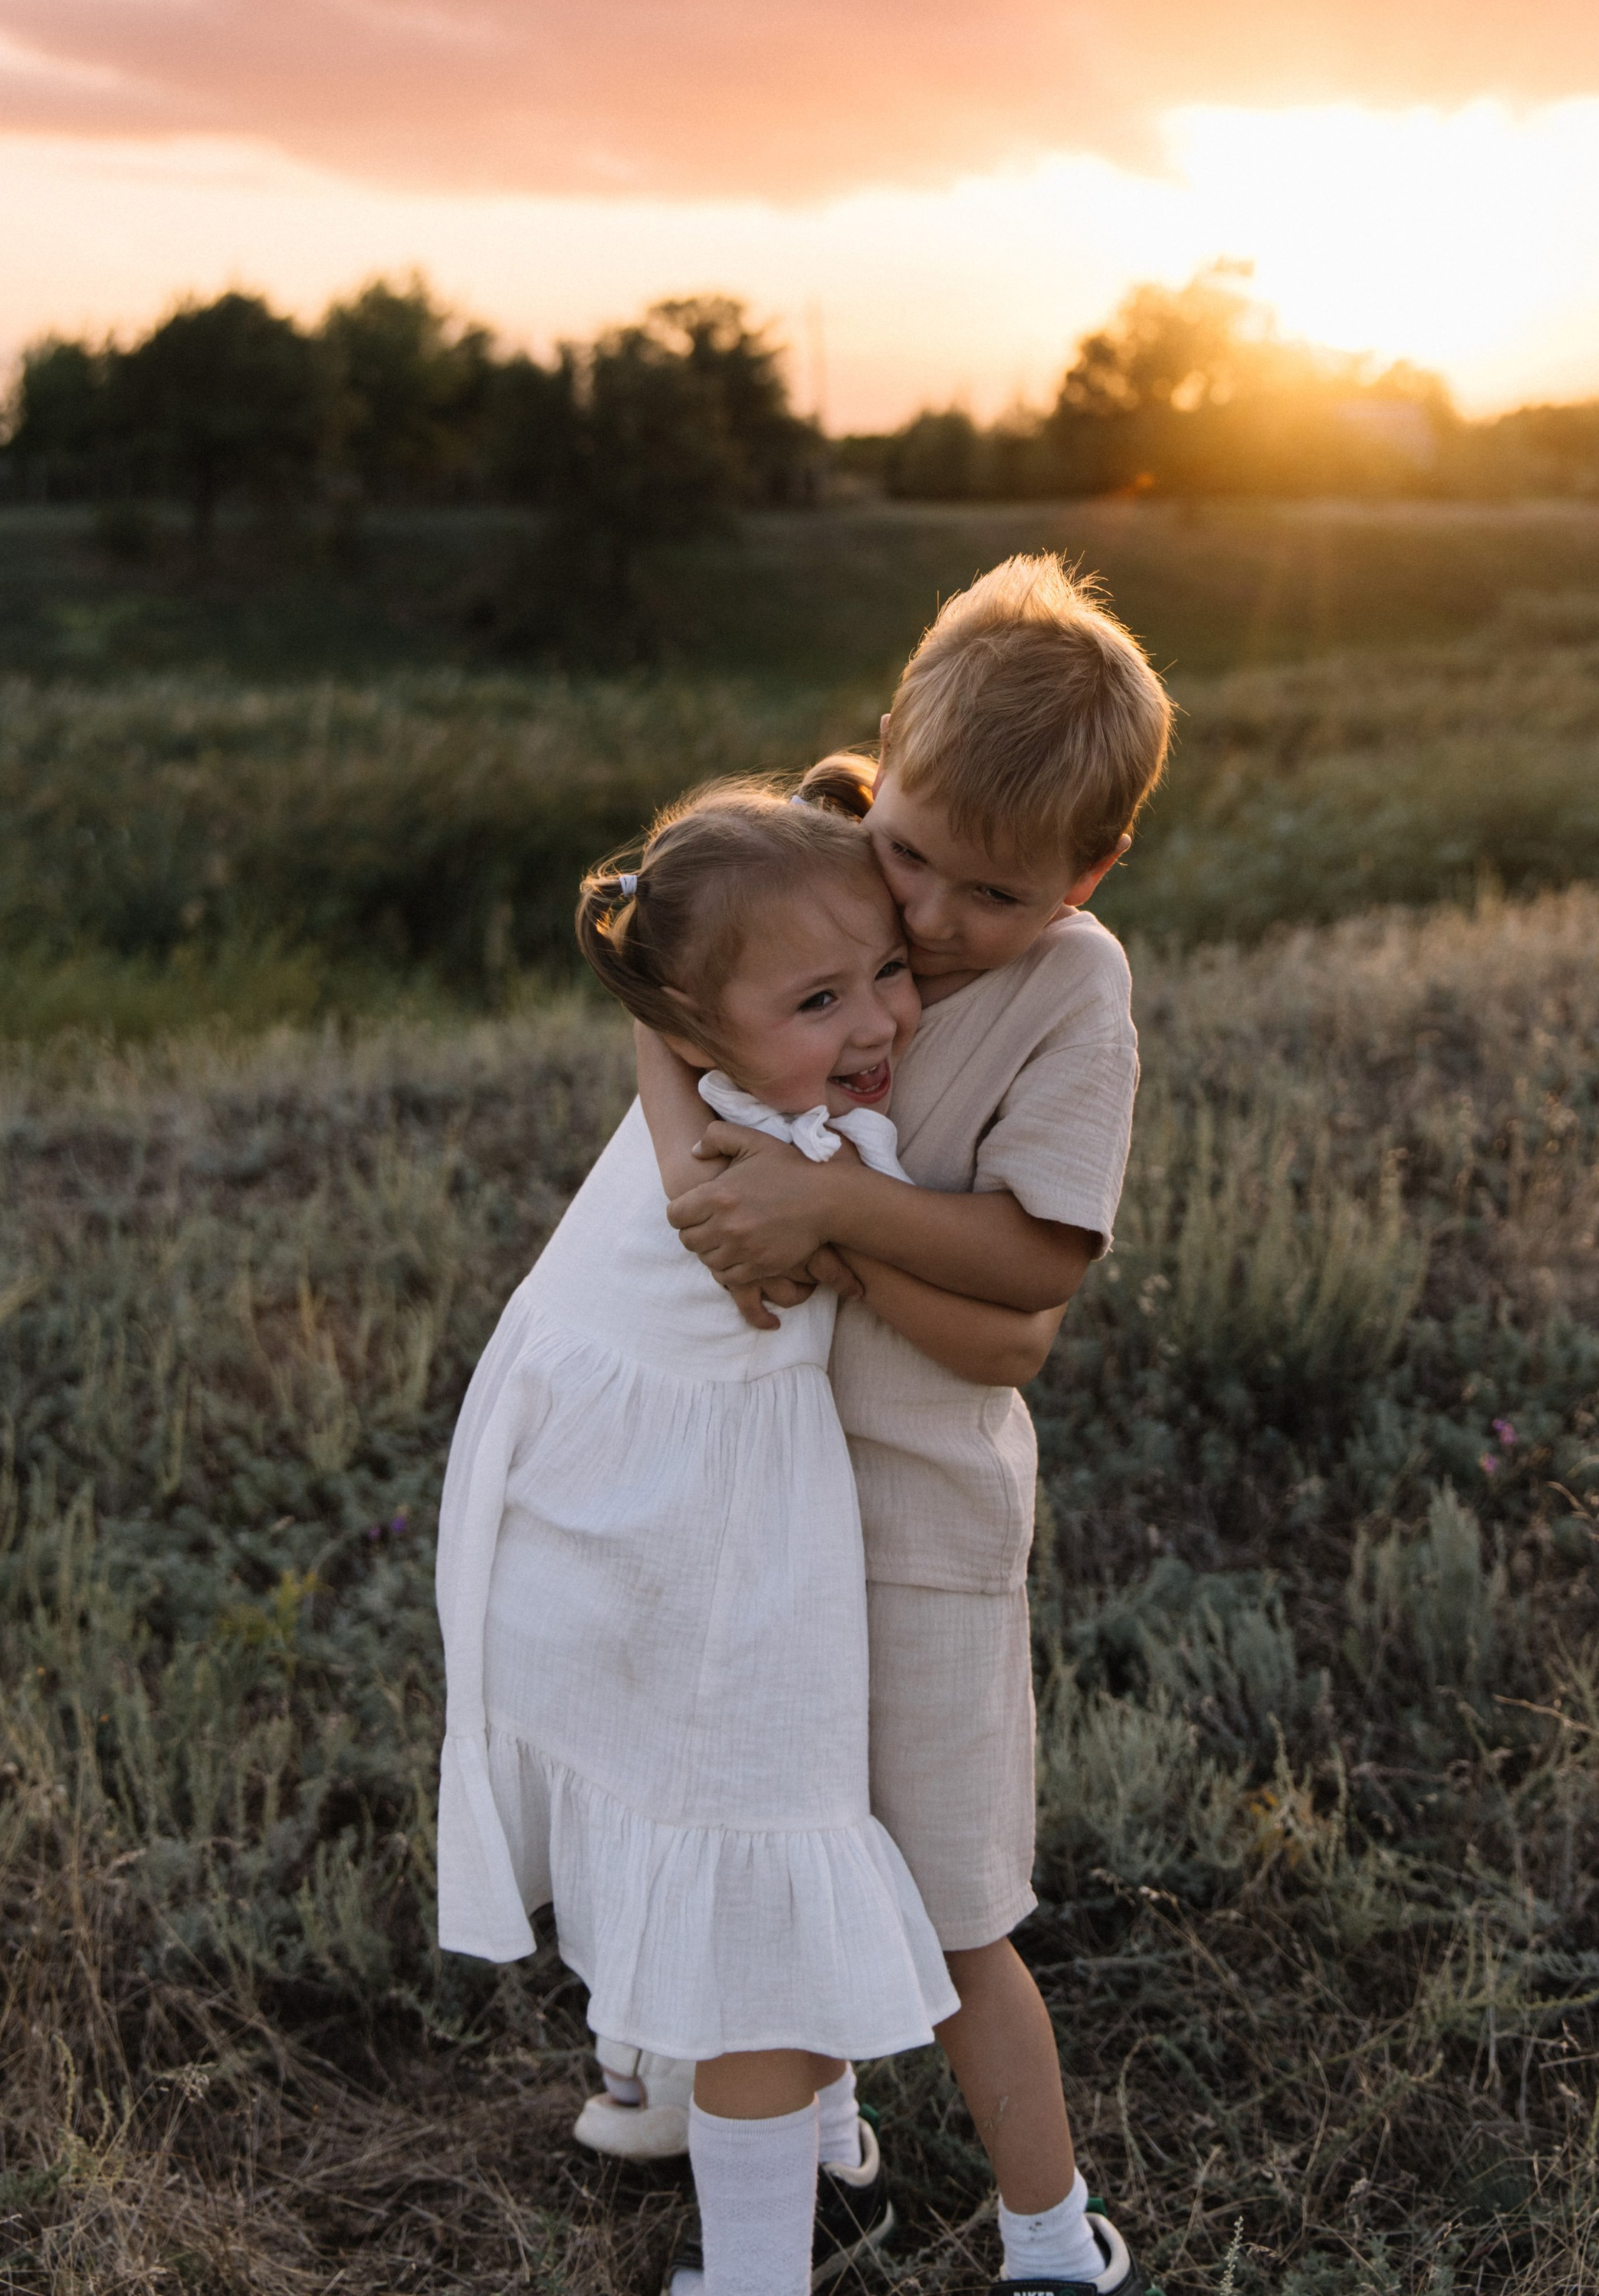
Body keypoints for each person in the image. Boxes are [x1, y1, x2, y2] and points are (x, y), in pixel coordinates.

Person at [435, 780, 1074, 2296]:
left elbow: (668, 998)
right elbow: (996, 1324)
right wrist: (855, 1220)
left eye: (885, 974)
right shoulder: (795, 1137)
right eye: (818, 998)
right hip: (671, 1522)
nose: (876, 1023)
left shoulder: (759, 1075)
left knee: (697, 1819)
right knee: (727, 1852)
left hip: (625, 1493)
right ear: (709, 1028)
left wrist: (833, 1209)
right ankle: (751, 2267)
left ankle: (744, 2147)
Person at [637, 557, 1172, 2296]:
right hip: (755, 1504)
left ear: (1088, 875)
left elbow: (1025, 1288)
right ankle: (811, 2140)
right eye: (914, 852)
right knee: (773, 1855)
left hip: (928, 1526)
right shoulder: (819, 848)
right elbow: (646, 972)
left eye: (993, 890)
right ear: (882, 757)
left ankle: (1046, 2240)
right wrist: (707, 1174)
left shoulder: (1072, 989)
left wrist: (821, 1216)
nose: (929, 916)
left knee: (954, 1910)